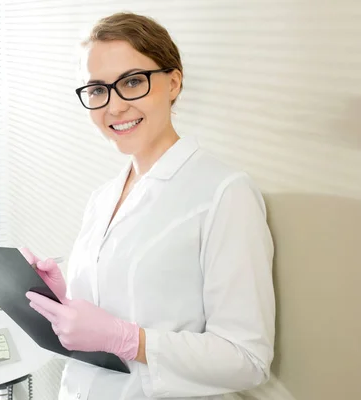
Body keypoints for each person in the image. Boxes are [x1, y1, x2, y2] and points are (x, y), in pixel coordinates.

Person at [20, 11, 275, 400]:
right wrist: (63, 302)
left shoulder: (224, 193)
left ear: (173, 83)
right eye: (97, 90)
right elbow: (114, 310)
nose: (115, 107)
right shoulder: (102, 198)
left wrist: (130, 341)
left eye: (133, 82)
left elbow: (247, 360)